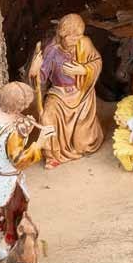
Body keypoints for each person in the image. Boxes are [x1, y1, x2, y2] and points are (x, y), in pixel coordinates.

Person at [0, 81, 54, 263]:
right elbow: (19, 159)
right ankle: (16, 259)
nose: (26, 108)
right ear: (18, 106)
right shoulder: (12, 131)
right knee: (16, 220)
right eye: (24, 105)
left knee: (4, 214)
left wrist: (24, 130)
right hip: (10, 184)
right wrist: (39, 143)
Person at [29, 13, 104, 168]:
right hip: (59, 94)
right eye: (72, 37)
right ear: (63, 35)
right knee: (47, 118)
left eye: (79, 36)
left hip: (81, 94)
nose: (76, 40)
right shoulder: (52, 50)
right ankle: (52, 155)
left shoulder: (84, 43)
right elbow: (40, 79)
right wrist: (34, 71)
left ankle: (79, 142)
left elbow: (97, 61)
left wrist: (83, 70)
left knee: (83, 144)